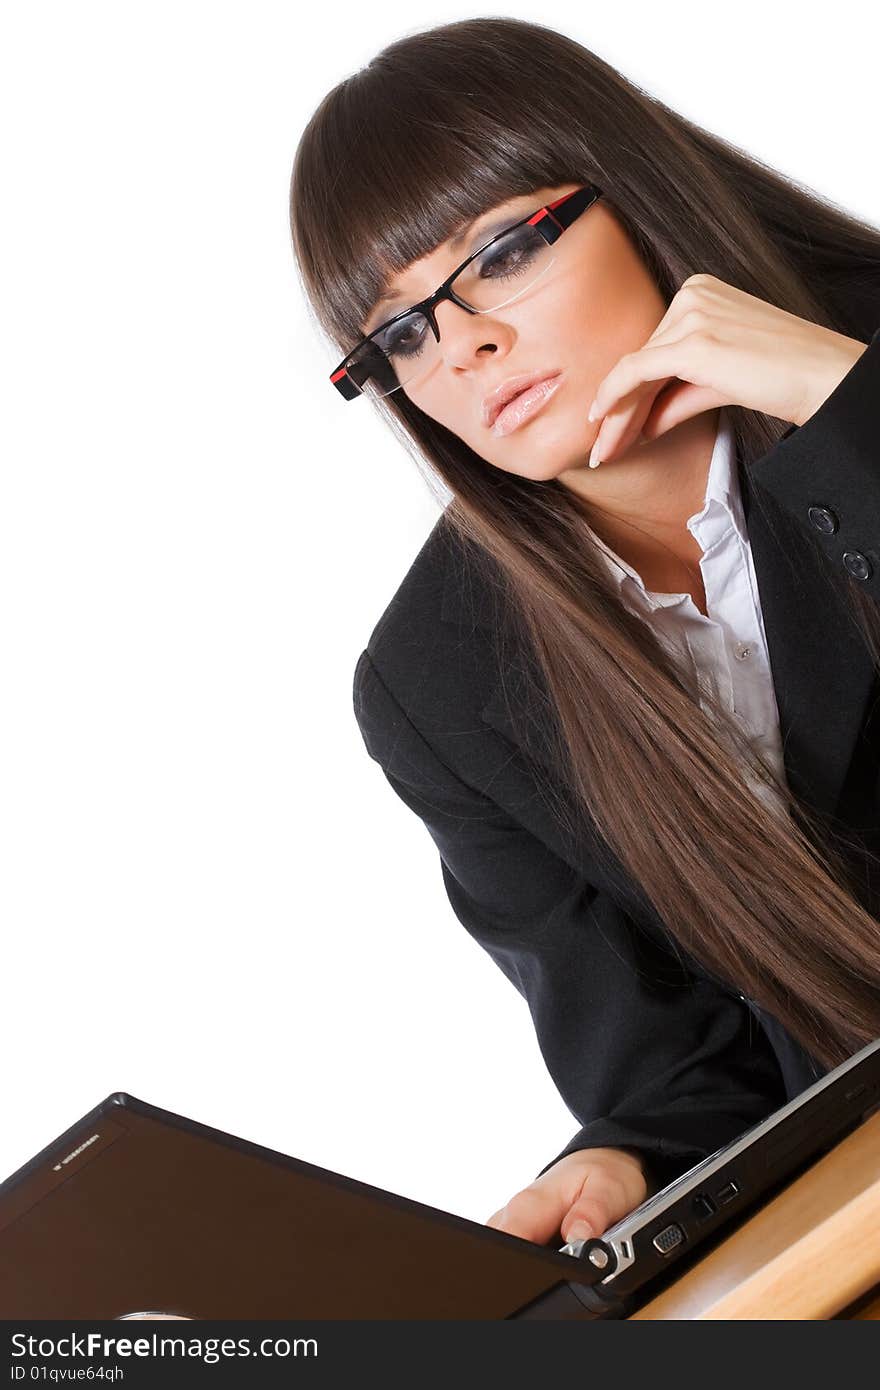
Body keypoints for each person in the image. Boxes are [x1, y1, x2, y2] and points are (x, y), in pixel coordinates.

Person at [288, 17, 880, 1252]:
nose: (461, 347)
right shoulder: (436, 681)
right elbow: (674, 1071)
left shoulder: (858, 367)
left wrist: (845, 409)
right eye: (398, 334)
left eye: (495, 255)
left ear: (632, 187)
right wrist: (619, 1162)